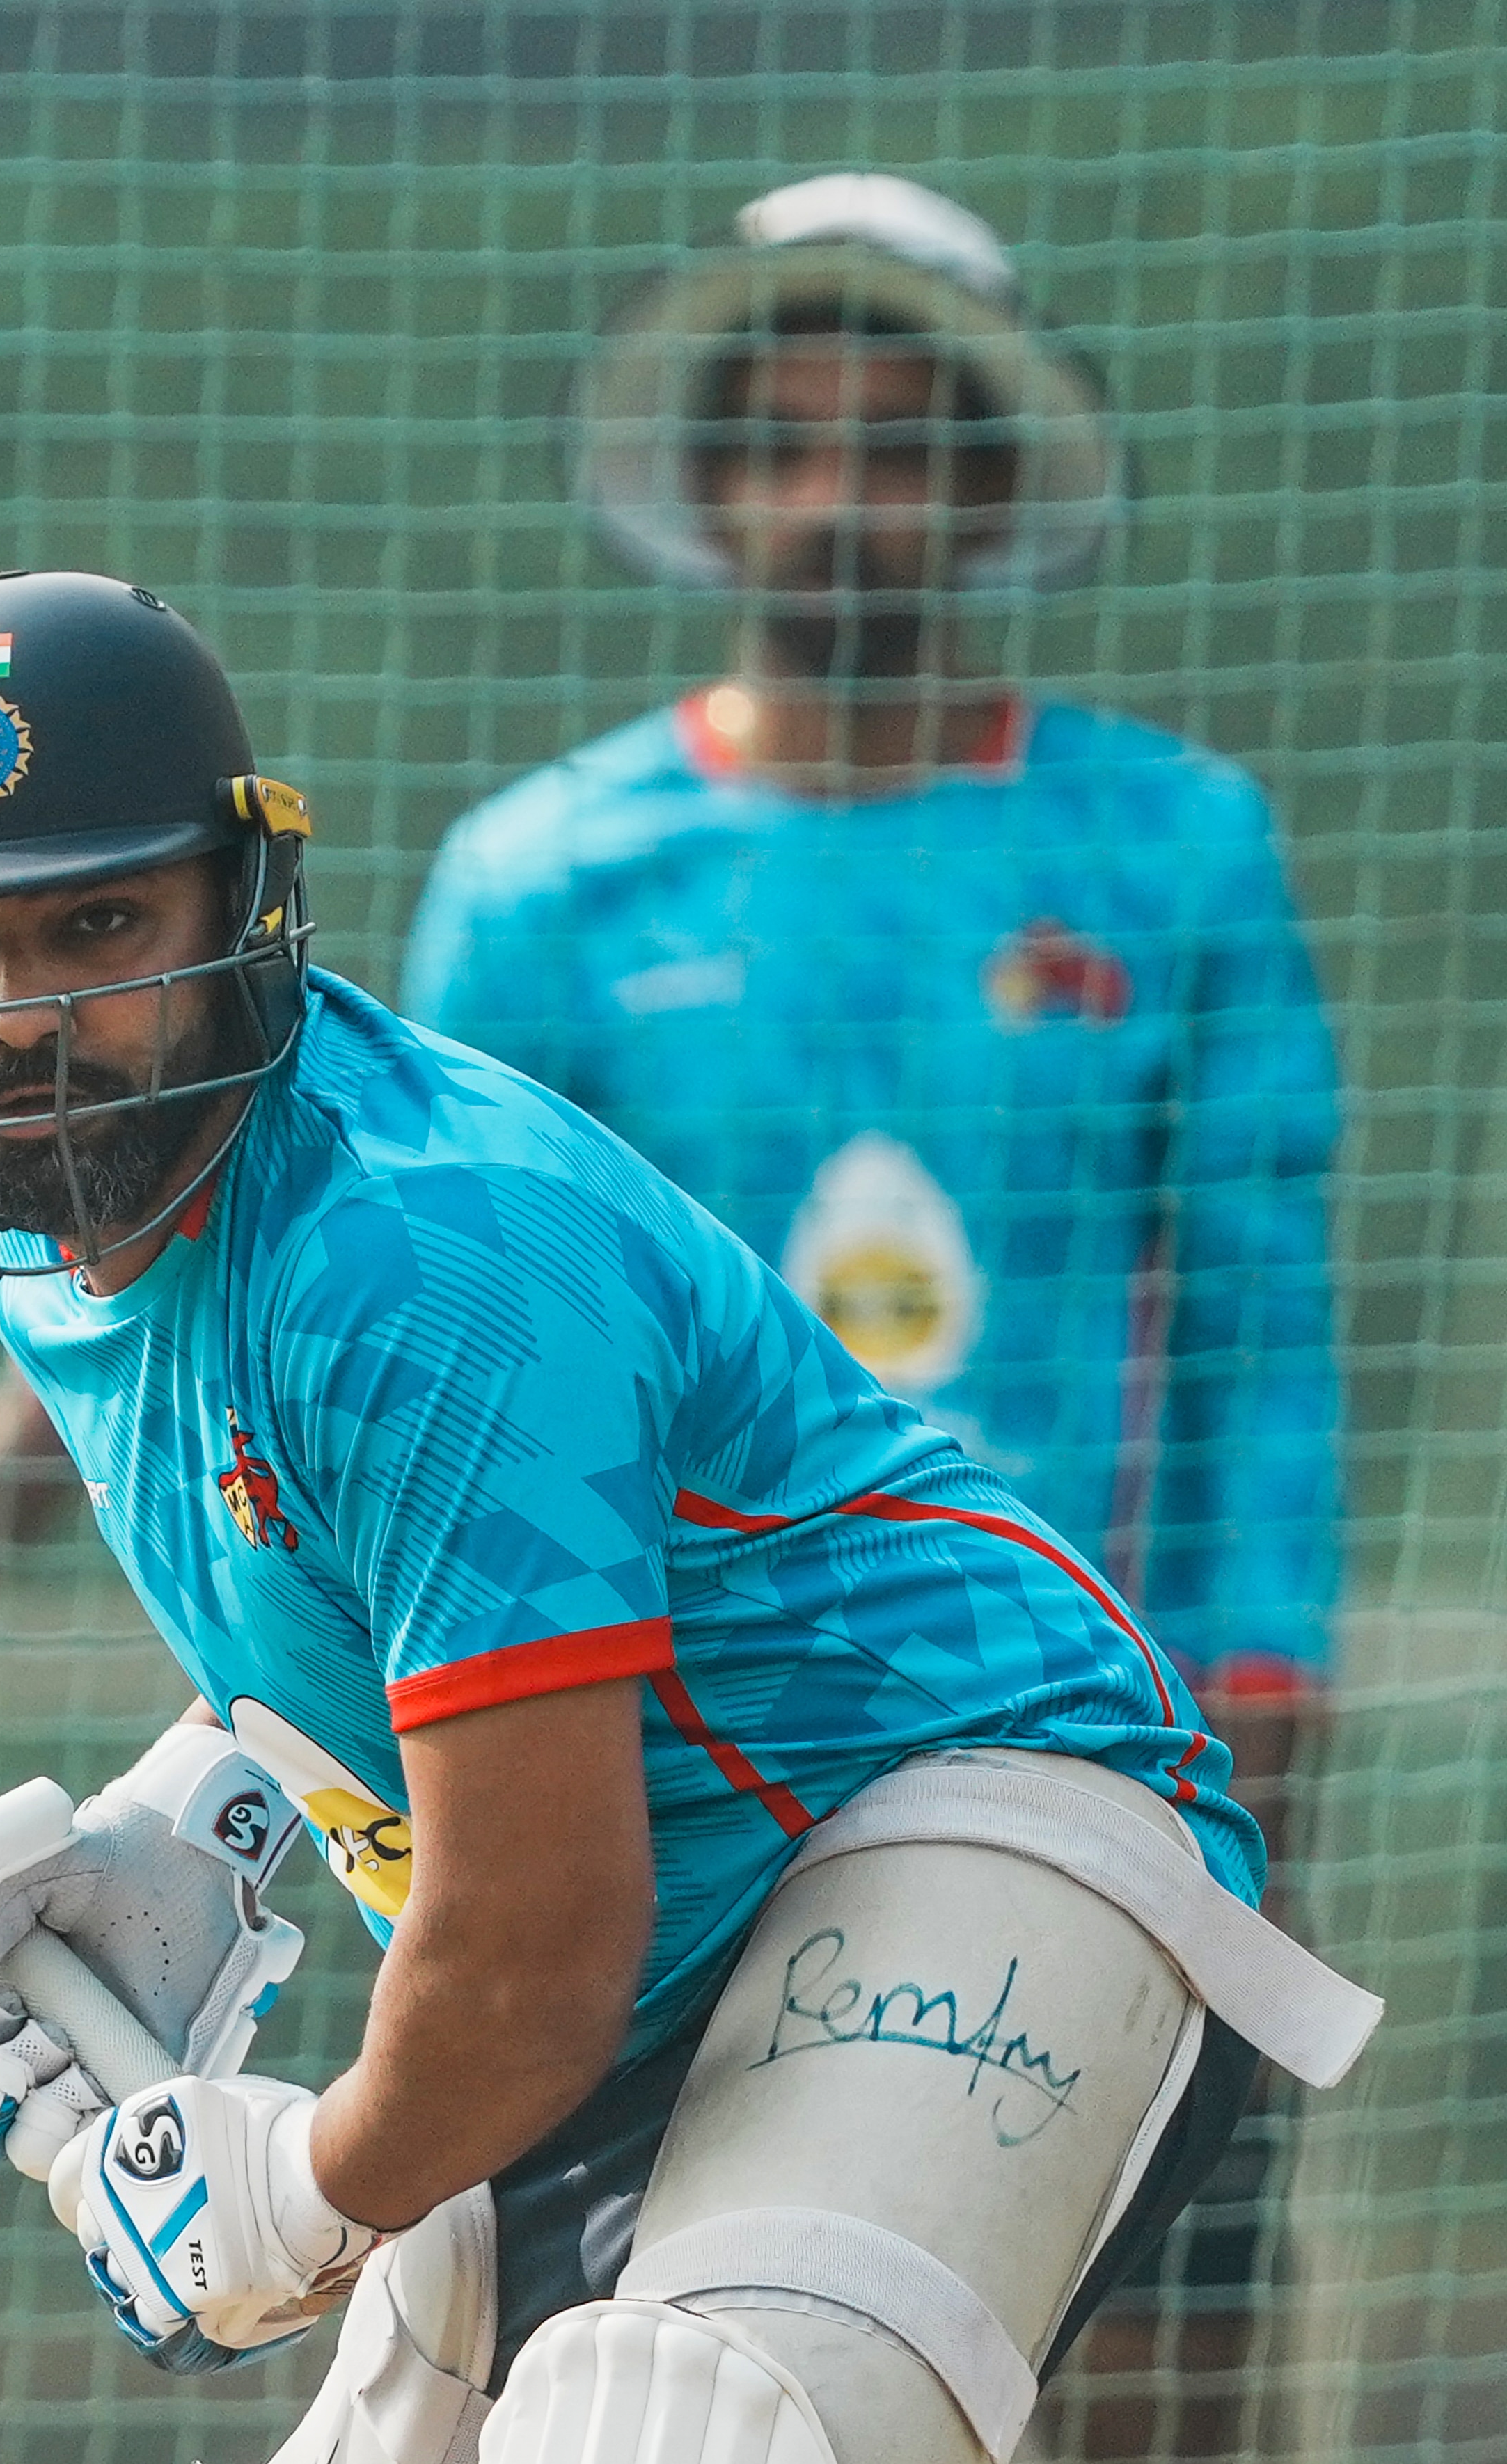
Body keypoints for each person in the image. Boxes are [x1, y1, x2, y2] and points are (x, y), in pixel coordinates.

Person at [0, 566, 1380, 2464]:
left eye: (102, 923)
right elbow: (383, 1595)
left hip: (977, 1837)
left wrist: (290, 2195)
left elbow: (531, 1954)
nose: (28, 1020)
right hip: (658, 1968)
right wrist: (199, 1823)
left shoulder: (409, 1254)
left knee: (689, 2432)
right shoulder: (55, 1238)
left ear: (241, 906)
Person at [400, 175, 1342, 2445]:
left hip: (1096, 1760)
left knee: (1154, 2365)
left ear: (990, 491)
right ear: (716, 488)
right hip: (688, 1786)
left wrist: (1265, 1654)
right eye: (792, 442)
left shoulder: (1173, 846)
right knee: (689, 2383)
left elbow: (1253, 1302)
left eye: (904, 443)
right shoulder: (539, 885)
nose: (845, 498)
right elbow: (459, 1378)